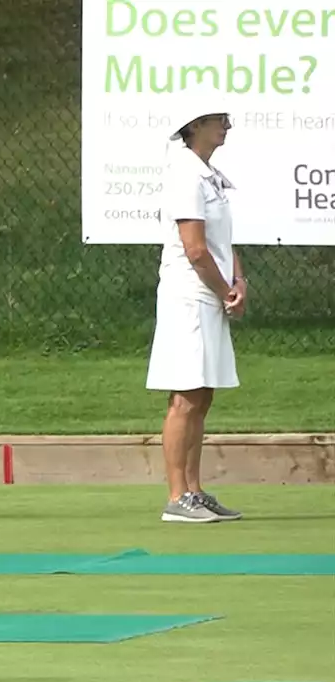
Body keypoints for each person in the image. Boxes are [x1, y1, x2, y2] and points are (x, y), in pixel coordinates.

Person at [146, 104, 247, 524]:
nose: (226, 126)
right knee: (186, 397)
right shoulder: (185, 175)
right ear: (196, 127)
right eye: (218, 120)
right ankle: (176, 497)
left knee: (202, 395)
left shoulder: (209, 176)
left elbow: (223, 243)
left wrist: (238, 282)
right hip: (189, 298)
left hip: (211, 297)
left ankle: (194, 490)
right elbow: (195, 250)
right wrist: (225, 292)